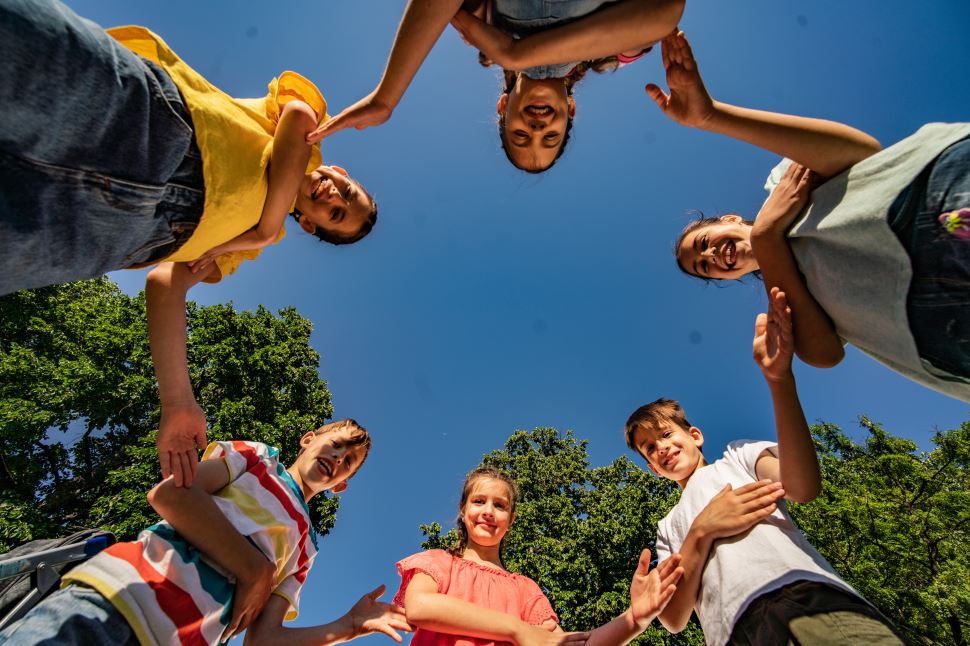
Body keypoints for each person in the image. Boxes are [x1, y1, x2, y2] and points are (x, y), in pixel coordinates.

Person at [0, 0, 379, 485]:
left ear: (308, 224)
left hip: (118, 231)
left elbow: (167, 283)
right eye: (345, 191)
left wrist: (178, 400)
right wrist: (262, 226)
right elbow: (297, 117)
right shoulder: (312, 142)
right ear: (339, 172)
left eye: (336, 214)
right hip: (155, 126)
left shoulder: (247, 248)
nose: (334, 197)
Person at [650, 30, 970, 402]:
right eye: (704, 267)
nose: (709, 257)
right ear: (731, 275)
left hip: (927, 203)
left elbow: (862, 151)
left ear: (732, 219)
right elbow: (824, 354)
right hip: (939, 326)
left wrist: (710, 116)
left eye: (703, 244)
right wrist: (767, 240)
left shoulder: (780, 184)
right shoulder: (782, 298)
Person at [623, 290, 903, 645]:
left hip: (805, 594)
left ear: (695, 435)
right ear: (652, 468)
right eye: (649, 447)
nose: (661, 447)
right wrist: (701, 532)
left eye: (665, 433)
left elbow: (802, 488)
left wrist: (779, 380)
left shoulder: (737, 457)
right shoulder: (668, 527)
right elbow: (674, 618)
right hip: (730, 632)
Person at [0, 419, 411, 645]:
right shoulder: (257, 459)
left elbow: (263, 640)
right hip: (118, 599)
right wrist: (255, 570)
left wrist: (349, 626)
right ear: (308, 440)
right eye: (336, 444)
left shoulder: (307, 548)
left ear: (342, 485)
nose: (338, 458)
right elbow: (172, 496)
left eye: (349, 461)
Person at [307, 0, 684, 172]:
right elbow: (666, 11)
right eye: (550, 138)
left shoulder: (485, 19)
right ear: (570, 112)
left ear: (503, 107)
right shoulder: (619, 50)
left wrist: (386, 98)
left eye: (521, 136)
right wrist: (516, 54)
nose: (537, 130)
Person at [392, 466, 684, 646]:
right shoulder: (438, 562)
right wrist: (517, 630)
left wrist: (635, 618)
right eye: (479, 501)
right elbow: (419, 606)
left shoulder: (525, 590)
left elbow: (567, 643)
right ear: (463, 510)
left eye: (500, 505)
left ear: (512, 518)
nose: (488, 511)